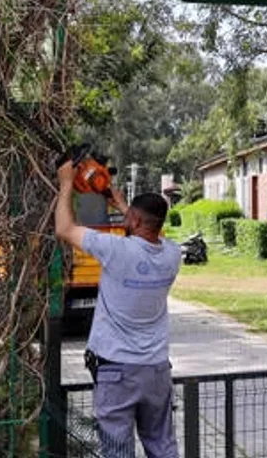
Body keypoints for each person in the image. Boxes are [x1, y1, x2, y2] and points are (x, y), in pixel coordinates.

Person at [54, 161, 181, 458]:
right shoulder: (172, 255)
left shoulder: (116, 250)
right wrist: (125, 206)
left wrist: (66, 183)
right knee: (163, 447)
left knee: (118, 451)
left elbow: (64, 228)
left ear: (134, 220)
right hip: (156, 370)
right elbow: (151, 231)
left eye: (129, 217)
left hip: (117, 370)